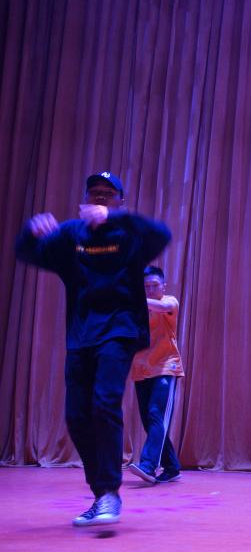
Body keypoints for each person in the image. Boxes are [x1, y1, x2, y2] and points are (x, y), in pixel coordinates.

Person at [15, 172, 171, 526]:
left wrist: (114, 218)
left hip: (120, 330)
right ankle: (101, 494)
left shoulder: (127, 234)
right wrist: (30, 230)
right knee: (76, 416)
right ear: (84, 200)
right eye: (94, 193)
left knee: (104, 403)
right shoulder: (72, 235)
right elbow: (26, 252)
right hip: (81, 335)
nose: (100, 198)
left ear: (119, 201)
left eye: (108, 194)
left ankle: (110, 493)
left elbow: (161, 233)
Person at [126, 266, 185, 485]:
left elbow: (161, 307)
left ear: (163, 286)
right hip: (141, 369)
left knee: (155, 414)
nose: (150, 290)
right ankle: (172, 467)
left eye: (154, 285)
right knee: (150, 421)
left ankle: (148, 466)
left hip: (165, 367)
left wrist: (132, 299)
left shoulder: (169, 302)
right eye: (146, 286)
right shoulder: (134, 310)